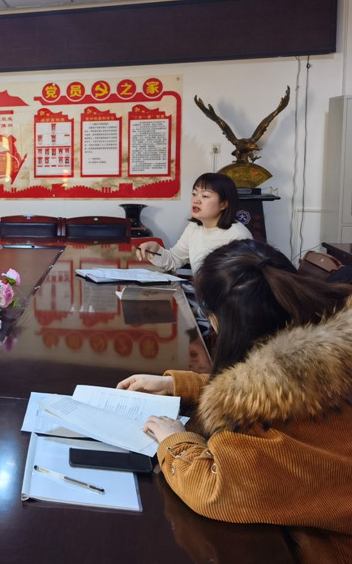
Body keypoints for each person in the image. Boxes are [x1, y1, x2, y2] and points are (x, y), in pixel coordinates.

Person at [118, 239, 352, 561]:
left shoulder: (254, 429)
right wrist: (179, 384)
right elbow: (282, 386)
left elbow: (215, 491)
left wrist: (175, 441)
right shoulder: (328, 350)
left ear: (219, 322)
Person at [135, 172, 252, 273]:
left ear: (223, 204)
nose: (196, 200)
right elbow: (174, 260)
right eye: (194, 194)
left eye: (205, 196)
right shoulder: (194, 227)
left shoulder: (238, 236)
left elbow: (242, 283)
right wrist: (156, 250)